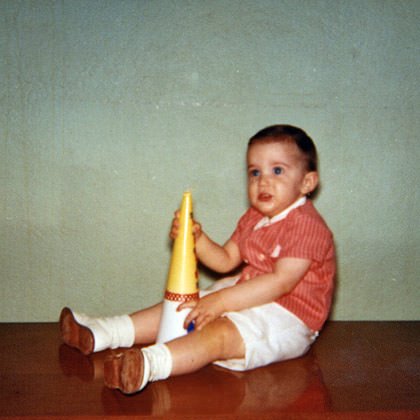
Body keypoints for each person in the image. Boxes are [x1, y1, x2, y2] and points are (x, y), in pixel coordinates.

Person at [59, 124, 335, 394]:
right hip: (247, 292)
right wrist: (196, 240)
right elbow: (226, 259)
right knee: (183, 306)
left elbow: (281, 282)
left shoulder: (307, 226)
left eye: (277, 170)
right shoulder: (255, 218)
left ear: (307, 182)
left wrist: (221, 302)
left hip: (287, 317)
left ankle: (149, 363)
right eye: (254, 172)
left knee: (219, 334)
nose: (263, 181)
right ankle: (104, 332)